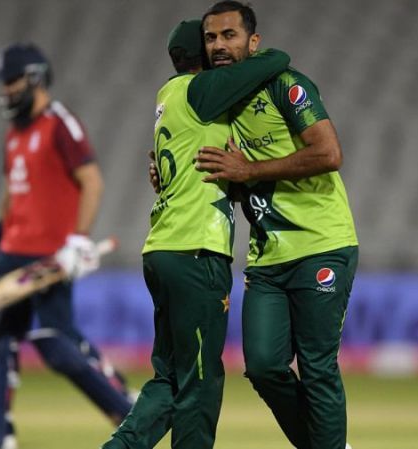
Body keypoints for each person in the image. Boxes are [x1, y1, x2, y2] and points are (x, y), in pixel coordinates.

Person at [100, 20, 290, 449]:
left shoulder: (168, 96)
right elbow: (278, 60)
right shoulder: (202, 92)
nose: (221, 50)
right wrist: (248, 51)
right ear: (203, 60)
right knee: (200, 382)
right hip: (196, 250)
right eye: (213, 44)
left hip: (164, 248)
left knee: (170, 378)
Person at [193, 3, 359, 449]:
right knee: (264, 366)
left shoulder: (287, 85)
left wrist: (251, 170)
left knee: (318, 365)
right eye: (211, 39)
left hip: (322, 243)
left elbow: (329, 154)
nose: (219, 46)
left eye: (229, 35)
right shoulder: (217, 103)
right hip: (268, 256)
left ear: (253, 42)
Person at [0, 43, 135, 449]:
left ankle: (129, 411)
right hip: (13, 252)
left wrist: (76, 241)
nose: (4, 91)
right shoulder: (15, 133)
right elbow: (12, 196)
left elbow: (93, 182)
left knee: (55, 342)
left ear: (34, 78)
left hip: (50, 256)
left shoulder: (59, 123)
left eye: (11, 82)